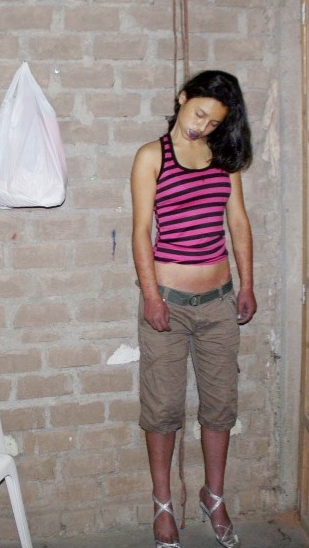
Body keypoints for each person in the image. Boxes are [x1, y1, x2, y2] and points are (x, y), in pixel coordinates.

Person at [130, 70, 256, 548]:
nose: (202, 126)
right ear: (182, 98)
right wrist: (150, 296)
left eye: (214, 121)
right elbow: (141, 230)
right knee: (162, 409)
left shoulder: (225, 158)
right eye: (198, 113)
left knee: (220, 406)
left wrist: (247, 285)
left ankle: (213, 496)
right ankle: (163, 504)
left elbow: (237, 222)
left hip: (219, 303)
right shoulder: (152, 156)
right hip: (169, 304)